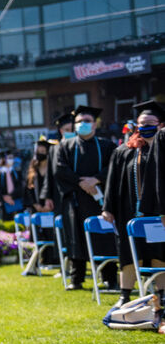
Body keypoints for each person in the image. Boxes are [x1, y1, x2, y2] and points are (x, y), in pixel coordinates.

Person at [45, 104, 117, 291]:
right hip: (75, 199)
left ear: (95, 124)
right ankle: (77, 278)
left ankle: (110, 277)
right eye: (79, 122)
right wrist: (81, 183)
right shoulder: (65, 146)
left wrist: (96, 179)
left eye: (87, 121)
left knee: (104, 237)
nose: (83, 124)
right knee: (75, 238)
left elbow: (114, 168)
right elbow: (59, 170)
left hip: (100, 199)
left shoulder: (107, 146)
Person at [103, 101, 164, 303]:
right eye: (140, 123)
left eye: (150, 123)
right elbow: (111, 182)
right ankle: (125, 294)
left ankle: (161, 294)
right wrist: (107, 208)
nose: (144, 127)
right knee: (129, 254)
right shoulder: (125, 151)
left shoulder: (162, 150)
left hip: (157, 213)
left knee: (159, 253)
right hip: (127, 211)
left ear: (161, 124)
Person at [0, 151, 24, 222]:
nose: (11, 160)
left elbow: (20, 186)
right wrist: (5, 198)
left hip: (16, 201)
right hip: (5, 204)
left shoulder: (17, 172)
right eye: (9, 158)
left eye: (12, 158)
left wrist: (12, 196)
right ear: (4, 159)